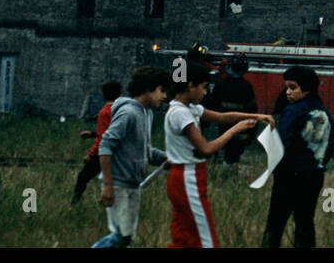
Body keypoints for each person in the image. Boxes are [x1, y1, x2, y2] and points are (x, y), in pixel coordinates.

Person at [164, 62, 267, 248]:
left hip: (185, 177)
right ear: (190, 85)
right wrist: (235, 130)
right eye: (204, 88)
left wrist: (255, 116)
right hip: (188, 177)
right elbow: (206, 149)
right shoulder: (182, 114)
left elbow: (222, 117)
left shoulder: (187, 109)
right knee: (206, 242)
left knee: (183, 238)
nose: (205, 93)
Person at [93, 67, 170, 248]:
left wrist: (165, 158)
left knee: (126, 239)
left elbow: (145, 151)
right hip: (119, 185)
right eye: (162, 90)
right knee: (121, 238)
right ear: (147, 89)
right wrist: (108, 186)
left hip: (133, 185)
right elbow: (105, 145)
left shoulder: (146, 114)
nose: (165, 96)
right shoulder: (129, 113)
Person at [262, 66, 331, 248]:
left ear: (306, 88)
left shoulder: (293, 111)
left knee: (276, 223)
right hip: (314, 175)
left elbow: (282, 143)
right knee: (305, 223)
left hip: (289, 175)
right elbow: (329, 145)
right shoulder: (323, 112)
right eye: (287, 87)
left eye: (293, 87)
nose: (288, 92)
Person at [73, 80, 123, 205]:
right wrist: (91, 134)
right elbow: (113, 132)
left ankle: (75, 204)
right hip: (119, 151)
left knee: (82, 178)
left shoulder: (104, 112)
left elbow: (102, 138)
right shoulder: (122, 111)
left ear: (104, 94)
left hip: (103, 153)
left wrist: (90, 155)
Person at [207, 57, 258, 165]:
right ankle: (230, 168)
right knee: (235, 154)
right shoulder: (247, 87)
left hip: (223, 126)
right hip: (241, 128)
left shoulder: (220, 85)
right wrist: (252, 132)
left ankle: (225, 168)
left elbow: (213, 105)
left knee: (227, 150)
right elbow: (252, 110)